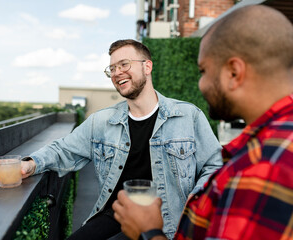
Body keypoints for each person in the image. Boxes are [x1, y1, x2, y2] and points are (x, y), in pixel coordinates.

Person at [0, 39, 222, 239]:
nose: (117, 72)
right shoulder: (101, 122)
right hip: (113, 214)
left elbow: (214, 164)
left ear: (147, 66)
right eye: (111, 68)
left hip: (165, 221)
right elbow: (64, 149)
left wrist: (196, 198)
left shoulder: (188, 116)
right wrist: (30, 165)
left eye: (124, 64)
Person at [112, 5, 293, 240]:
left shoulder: (264, 166)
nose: (201, 84)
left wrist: (148, 231)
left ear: (234, 73)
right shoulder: (272, 140)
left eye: (203, 71)